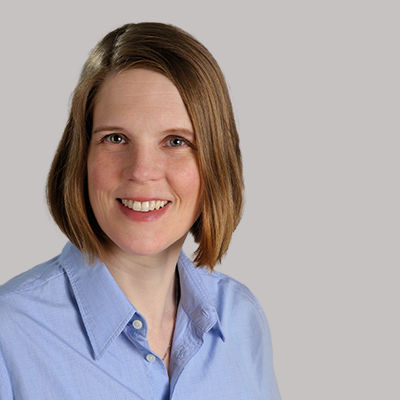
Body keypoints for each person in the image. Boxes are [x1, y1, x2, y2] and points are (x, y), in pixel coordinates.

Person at [0, 22, 280, 399]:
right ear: (80, 156)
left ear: (216, 161)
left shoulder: (241, 319)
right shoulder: (10, 334)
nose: (142, 171)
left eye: (176, 141)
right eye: (115, 138)